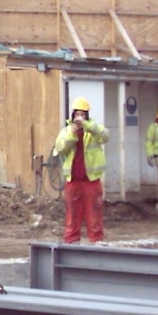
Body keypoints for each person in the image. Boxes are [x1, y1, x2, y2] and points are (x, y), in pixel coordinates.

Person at [52, 96, 109, 244]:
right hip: (73, 180)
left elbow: (105, 135)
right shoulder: (66, 131)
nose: (79, 118)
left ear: (87, 116)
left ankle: (97, 242)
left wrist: (88, 126)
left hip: (91, 180)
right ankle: (71, 242)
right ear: (72, 115)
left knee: (94, 214)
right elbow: (60, 148)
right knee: (72, 214)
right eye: (77, 114)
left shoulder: (93, 131)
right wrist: (73, 133)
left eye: (82, 114)